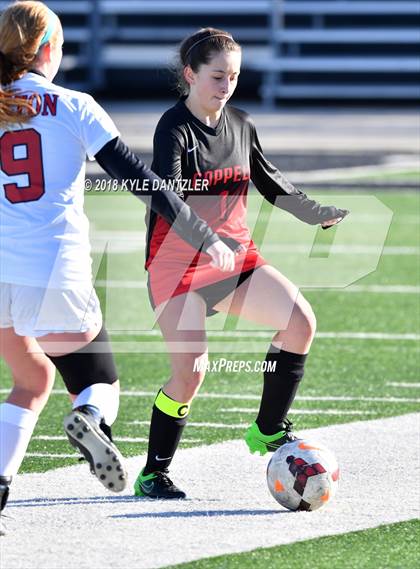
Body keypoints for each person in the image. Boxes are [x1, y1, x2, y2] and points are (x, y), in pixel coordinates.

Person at [0, 5, 237, 535]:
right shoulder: (73, 105)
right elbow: (142, 181)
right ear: (47, 51)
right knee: (99, 381)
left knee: (31, 378)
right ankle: (91, 417)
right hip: (51, 268)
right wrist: (203, 235)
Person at [133, 27, 349, 499]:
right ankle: (153, 473)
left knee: (299, 322)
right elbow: (165, 197)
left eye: (233, 76)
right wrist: (206, 239)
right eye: (216, 76)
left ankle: (269, 429)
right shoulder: (174, 127)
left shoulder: (242, 124)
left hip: (233, 259)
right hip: (178, 265)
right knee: (191, 371)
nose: (225, 85)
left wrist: (315, 213)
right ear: (190, 74)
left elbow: (270, 181)